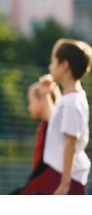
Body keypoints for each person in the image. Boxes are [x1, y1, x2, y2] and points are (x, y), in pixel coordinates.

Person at [39, 38, 92, 195]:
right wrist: (45, 94)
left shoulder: (71, 102)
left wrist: (64, 184)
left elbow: (71, 144)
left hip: (69, 177)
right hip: (64, 174)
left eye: (53, 61)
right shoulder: (69, 98)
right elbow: (53, 119)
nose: (50, 66)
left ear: (64, 66)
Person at [9, 81, 60, 195]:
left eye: (30, 101)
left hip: (48, 186)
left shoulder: (53, 125)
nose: (29, 107)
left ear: (42, 100)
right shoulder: (44, 126)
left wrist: (45, 93)